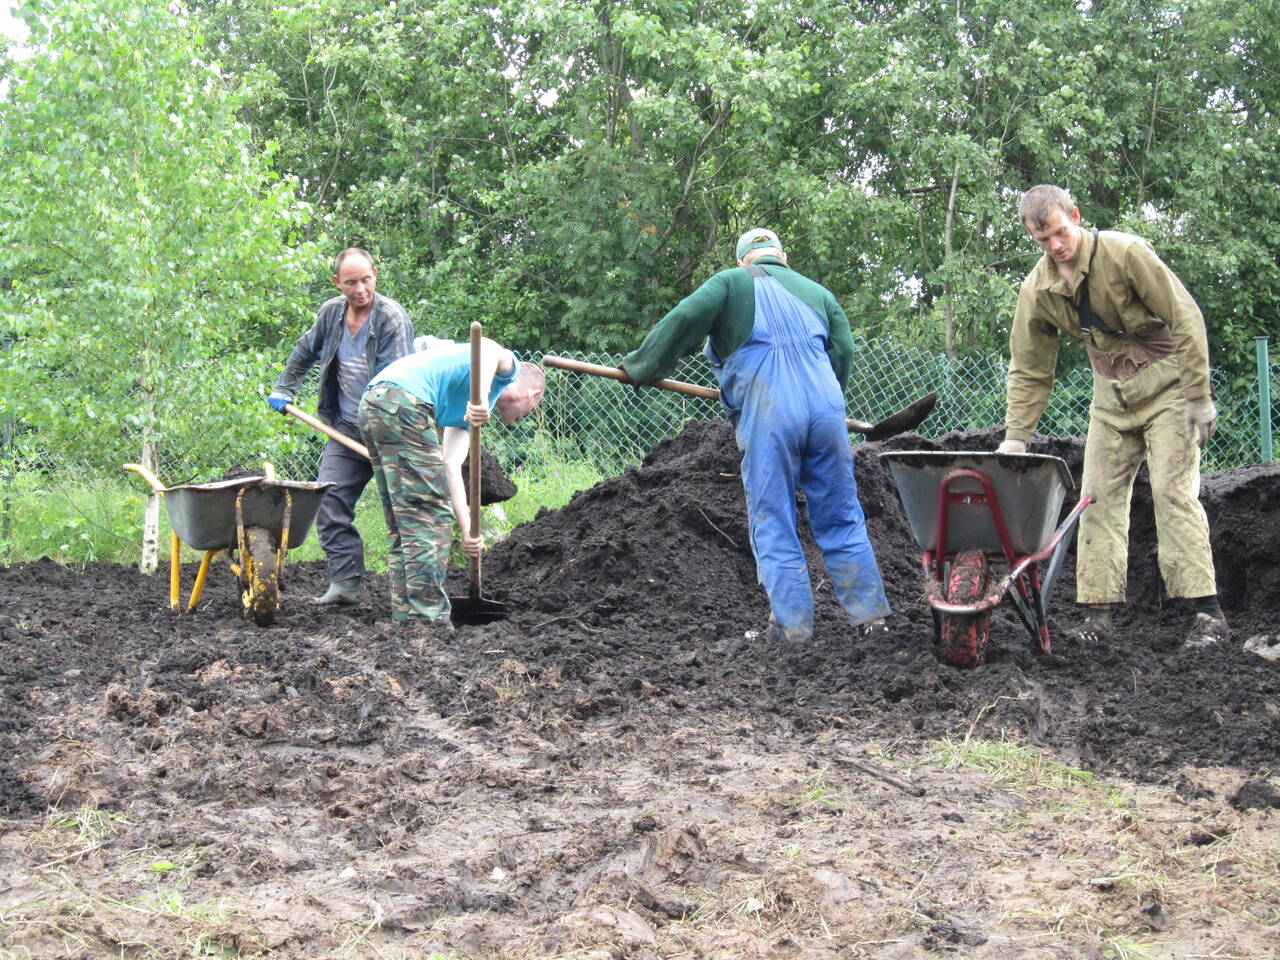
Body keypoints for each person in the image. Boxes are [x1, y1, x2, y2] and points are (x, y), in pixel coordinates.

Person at [620, 227, 891, 645]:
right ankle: (871, 620)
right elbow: (843, 354)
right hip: (827, 411)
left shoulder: (730, 283)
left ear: (742, 259)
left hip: (771, 413)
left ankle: (792, 629)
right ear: (782, 255)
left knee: (774, 519)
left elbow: (686, 318)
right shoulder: (818, 293)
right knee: (841, 515)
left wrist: (643, 367)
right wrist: (825, 408)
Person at [996, 184, 1227, 647]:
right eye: (1043, 241)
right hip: (1112, 400)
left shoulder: (1126, 254)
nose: (1055, 246)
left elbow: (1184, 317)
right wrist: (1017, 434)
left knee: (1170, 490)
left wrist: (1199, 394)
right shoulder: (1038, 289)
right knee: (1096, 499)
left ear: (1075, 216)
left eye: (1061, 233)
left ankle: (1207, 615)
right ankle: (1097, 621)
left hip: (1168, 388)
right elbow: (1030, 366)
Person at [357, 336, 545, 626]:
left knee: (404, 520)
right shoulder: (504, 372)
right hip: (403, 401)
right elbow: (490, 348)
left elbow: (451, 465)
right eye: (530, 412)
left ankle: (405, 616)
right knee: (429, 519)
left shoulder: (465, 407)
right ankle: (428, 619)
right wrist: (479, 399)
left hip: (375, 403)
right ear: (532, 396)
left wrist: (469, 529)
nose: (522, 418)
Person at [267, 248, 415, 605]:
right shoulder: (331, 313)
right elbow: (306, 349)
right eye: (351, 282)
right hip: (346, 428)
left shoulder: (391, 319)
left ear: (375, 275)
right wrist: (285, 387)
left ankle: (413, 592)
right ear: (337, 282)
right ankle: (345, 583)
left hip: (391, 431)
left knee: (403, 512)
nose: (361, 288)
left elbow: (390, 385)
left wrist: (382, 444)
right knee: (329, 500)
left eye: (366, 279)